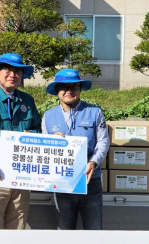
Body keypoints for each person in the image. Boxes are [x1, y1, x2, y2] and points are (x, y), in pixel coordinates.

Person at [0, 53, 42, 229]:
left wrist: (31, 134)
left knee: (17, 232)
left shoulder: (27, 100)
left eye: (17, 71)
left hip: (20, 179)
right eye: (8, 70)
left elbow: (38, 130)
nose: (13, 74)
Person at [42, 69, 109, 230]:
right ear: (57, 90)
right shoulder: (48, 116)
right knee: (65, 231)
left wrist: (94, 162)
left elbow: (103, 141)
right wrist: (51, 142)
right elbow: (43, 147)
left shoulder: (94, 112)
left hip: (90, 181)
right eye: (64, 87)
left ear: (80, 89)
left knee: (94, 230)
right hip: (62, 182)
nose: (69, 91)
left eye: (74, 86)